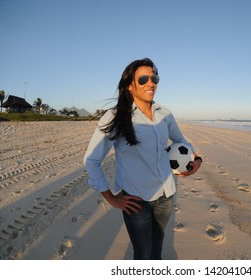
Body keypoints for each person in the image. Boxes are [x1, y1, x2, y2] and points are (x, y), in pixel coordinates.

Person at [83, 58, 202, 260]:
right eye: (144, 78)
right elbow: (91, 160)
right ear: (130, 85)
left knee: (157, 247)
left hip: (166, 195)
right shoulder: (116, 116)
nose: (151, 82)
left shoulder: (164, 113)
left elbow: (180, 140)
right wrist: (111, 198)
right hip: (137, 200)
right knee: (143, 253)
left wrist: (196, 159)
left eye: (154, 77)